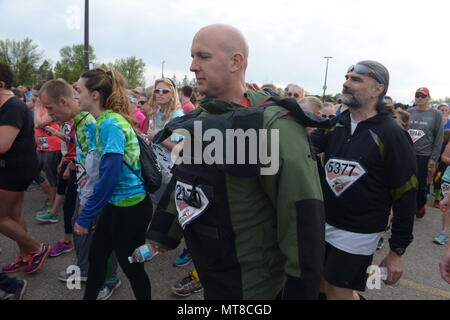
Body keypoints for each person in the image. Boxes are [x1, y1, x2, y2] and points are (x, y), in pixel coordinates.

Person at [145, 24, 325, 300]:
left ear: (235, 61)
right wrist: (162, 234)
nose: (193, 67)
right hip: (213, 275)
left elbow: (302, 215)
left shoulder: (272, 125)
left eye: (203, 57)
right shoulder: (204, 119)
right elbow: (186, 181)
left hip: (252, 286)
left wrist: (301, 290)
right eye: (192, 57)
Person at [310, 61, 417, 300]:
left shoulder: (392, 134)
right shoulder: (338, 122)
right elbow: (306, 145)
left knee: (338, 290)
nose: (346, 83)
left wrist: (397, 251)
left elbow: (406, 195)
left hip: (358, 230)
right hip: (323, 221)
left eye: (356, 79)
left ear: (377, 89)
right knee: (318, 284)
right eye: (347, 77)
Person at [72, 69, 152, 300]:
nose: (76, 95)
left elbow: (109, 177)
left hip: (131, 208)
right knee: (97, 258)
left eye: (79, 90)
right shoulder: (104, 121)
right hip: (117, 205)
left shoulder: (109, 124)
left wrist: (87, 215)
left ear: (95, 95)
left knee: (133, 268)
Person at [39, 79, 122, 300]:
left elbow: (100, 166)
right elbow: (86, 156)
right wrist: (71, 163)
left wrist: (89, 200)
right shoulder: (80, 120)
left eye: (49, 108)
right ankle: (85, 268)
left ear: (63, 101)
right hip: (84, 187)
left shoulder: (90, 123)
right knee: (82, 229)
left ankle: (111, 277)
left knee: (101, 235)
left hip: (96, 193)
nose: (48, 114)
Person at [0, 63, 51, 275]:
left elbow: (2, 145)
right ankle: (25, 255)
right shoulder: (10, 106)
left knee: (2, 218)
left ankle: (36, 248)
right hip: (16, 167)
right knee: (12, 215)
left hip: (14, 169)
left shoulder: (12, 107)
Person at [146, 78, 184, 205]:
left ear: (172, 94)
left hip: (170, 172)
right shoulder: (157, 112)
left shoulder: (177, 116)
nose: (160, 93)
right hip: (156, 169)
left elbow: (180, 149)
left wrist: (158, 137)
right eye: (157, 90)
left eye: (165, 91)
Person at [407, 88, 444, 219]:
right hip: (407, 154)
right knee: (405, 181)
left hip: (424, 155)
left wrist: (433, 158)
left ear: (428, 97)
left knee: (421, 184)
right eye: (417, 95)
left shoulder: (436, 114)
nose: (419, 98)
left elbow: (439, 137)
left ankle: (420, 205)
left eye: (422, 96)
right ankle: (407, 206)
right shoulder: (409, 112)